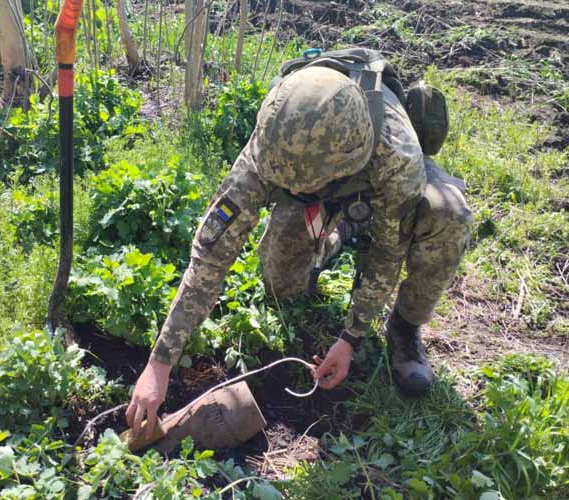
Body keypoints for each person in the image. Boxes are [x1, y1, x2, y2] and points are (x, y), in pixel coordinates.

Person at [125, 64, 472, 439]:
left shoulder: (397, 157)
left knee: (447, 214)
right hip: (318, 191)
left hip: (375, 188)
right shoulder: (274, 143)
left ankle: (404, 329)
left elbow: (388, 253)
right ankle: (336, 236)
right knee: (280, 283)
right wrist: (159, 364)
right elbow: (211, 256)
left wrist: (350, 338)